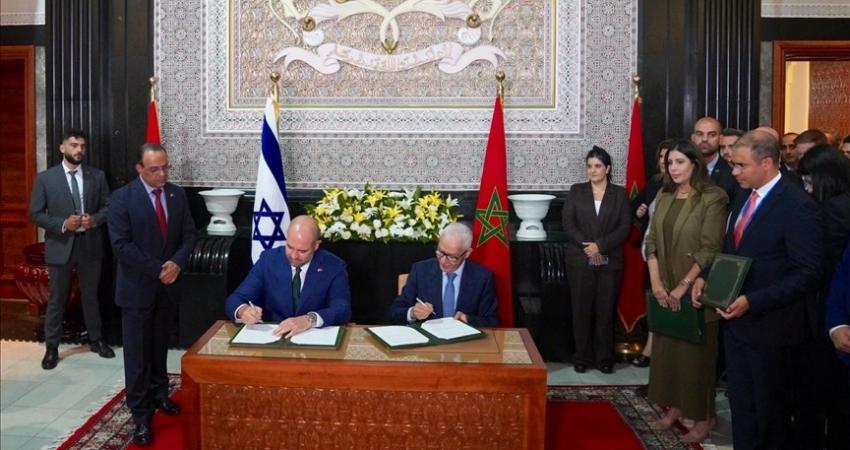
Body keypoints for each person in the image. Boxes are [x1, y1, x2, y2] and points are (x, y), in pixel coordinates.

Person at [691, 130, 822, 450]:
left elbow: (808, 272)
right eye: (733, 165)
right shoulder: (743, 195)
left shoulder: (796, 205)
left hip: (773, 329)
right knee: (743, 408)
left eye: (741, 166)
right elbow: (730, 250)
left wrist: (753, 300)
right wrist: (706, 276)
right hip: (737, 326)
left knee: (771, 415)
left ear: (766, 163)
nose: (734, 172)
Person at [108, 143, 197, 446]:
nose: (162, 174)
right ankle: (141, 415)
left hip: (168, 288)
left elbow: (188, 235)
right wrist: (158, 269)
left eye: (165, 167)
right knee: (137, 355)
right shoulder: (122, 199)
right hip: (137, 290)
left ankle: (160, 395)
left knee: (160, 346)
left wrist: (177, 263)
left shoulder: (177, 195)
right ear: (139, 169)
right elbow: (121, 246)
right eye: (154, 169)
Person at [644, 139, 728, 443]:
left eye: (680, 162)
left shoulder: (713, 197)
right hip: (663, 286)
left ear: (695, 163)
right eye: (670, 162)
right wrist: (656, 283)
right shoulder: (664, 194)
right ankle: (675, 407)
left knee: (696, 358)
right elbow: (651, 241)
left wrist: (682, 287)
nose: (673, 168)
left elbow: (709, 249)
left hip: (695, 289)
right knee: (668, 353)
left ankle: (704, 417)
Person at [28, 129, 114, 369]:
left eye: (82, 146)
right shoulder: (46, 179)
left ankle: (96, 340)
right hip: (60, 245)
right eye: (74, 145)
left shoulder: (97, 176)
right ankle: (52, 347)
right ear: (62, 148)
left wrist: (94, 220)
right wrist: (63, 224)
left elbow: (109, 207)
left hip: (90, 244)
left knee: (91, 296)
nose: (79, 150)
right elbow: (35, 213)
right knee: (57, 298)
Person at [794, 144, 850, 448]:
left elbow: (827, 266)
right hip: (833, 310)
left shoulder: (833, 210)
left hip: (828, 309)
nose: (807, 189)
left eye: (809, 181)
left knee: (819, 389)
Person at [562, 146, 631, 374]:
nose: (593, 170)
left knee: (605, 310)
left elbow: (624, 227)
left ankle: (604, 358)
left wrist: (600, 246)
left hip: (610, 261)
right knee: (580, 310)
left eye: (598, 166)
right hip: (580, 260)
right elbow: (568, 223)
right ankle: (581, 356)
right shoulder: (576, 191)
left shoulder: (619, 194)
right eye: (589, 166)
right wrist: (589, 247)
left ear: (607, 168)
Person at [225, 215, 352, 336]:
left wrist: (309, 319)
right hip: (275, 334)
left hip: (315, 336)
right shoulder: (269, 260)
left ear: (316, 245)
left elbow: (342, 309)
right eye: (290, 247)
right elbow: (235, 299)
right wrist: (243, 311)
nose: (294, 255)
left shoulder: (333, 266)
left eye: (302, 251)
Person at [390, 222, 498, 327]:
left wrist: (468, 319)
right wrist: (413, 313)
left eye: (452, 257)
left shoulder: (483, 277)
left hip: (465, 338)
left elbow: (492, 321)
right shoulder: (420, 270)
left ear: (467, 253)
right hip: (428, 337)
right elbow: (395, 311)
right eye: (440, 252)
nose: (443, 261)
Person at [630, 138, 674, 368]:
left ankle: (664, 352)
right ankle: (651, 347)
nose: (665, 162)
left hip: (675, 254)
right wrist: (639, 211)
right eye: (662, 157)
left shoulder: (685, 186)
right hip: (651, 253)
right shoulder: (655, 182)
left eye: (671, 158)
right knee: (654, 300)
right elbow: (635, 208)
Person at [691, 117, 736, 201]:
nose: (704, 139)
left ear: (721, 139)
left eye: (712, 135)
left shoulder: (732, 173)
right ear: (693, 138)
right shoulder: (684, 169)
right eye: (699, 134)